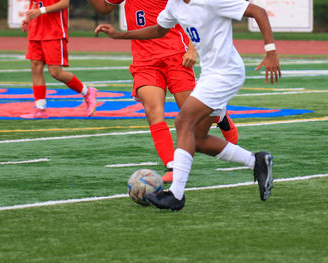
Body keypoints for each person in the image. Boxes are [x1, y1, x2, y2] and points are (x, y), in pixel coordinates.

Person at [95, 0, 280, 211]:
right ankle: (256, 161)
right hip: (210, 74)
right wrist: (120, 35)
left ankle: (176, 194)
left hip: (227, 73)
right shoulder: (174, 4)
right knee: (197, 140)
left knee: (183, 121)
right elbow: (157, 30)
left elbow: (258, 11)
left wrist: (271, 52)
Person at [87, 0, 239, 183]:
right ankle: (173, 164)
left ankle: (218, 114)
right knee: (153, 110)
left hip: (176, 56)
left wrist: (192, 49)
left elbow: (197, 14)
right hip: (144, 61)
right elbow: (104, 8)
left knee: (192, 117)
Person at [21, 0, 97, 119]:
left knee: (55, 72)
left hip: (54, 32)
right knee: (35, 66)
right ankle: (40, 109)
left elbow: (64, 3)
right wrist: (28, 19)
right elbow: (35, 4)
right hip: (36, 31)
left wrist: (41, 11)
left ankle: (87, 92)